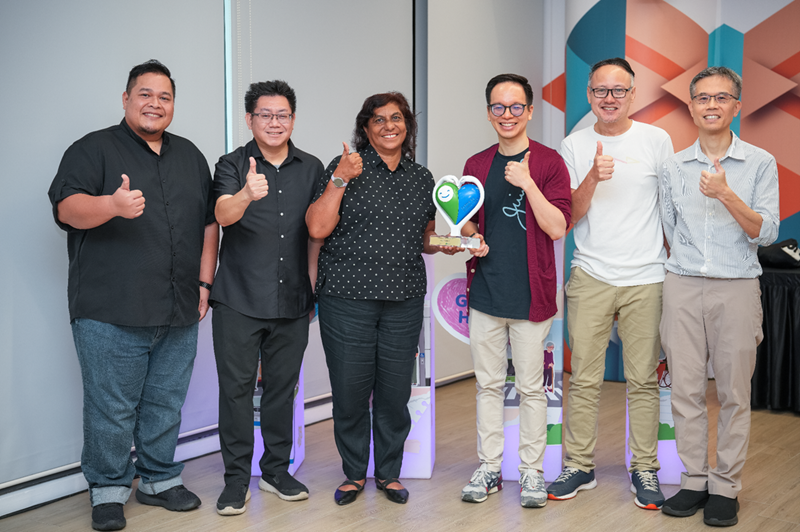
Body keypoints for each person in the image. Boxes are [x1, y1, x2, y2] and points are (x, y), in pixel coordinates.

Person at [47, 60, 218, 531]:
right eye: (145, 94)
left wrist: (205, 284)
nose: (154, 104)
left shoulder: (191, 156)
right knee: (110, 408)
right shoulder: (93, 149)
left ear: (173, 105)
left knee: (166, 401)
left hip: (180, 306)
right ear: (125, 99)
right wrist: (111, 206)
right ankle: (107, 490)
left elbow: (209, 224)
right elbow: (67, 208)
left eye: (164, 97)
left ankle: (160, 481)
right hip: (110, 310)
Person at [306, 92, 452, 506]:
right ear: (365, 129)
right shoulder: (345, 169)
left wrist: (453, 241)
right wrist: (340, 178)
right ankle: (354, 473)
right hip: (346, 297)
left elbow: (425, 239)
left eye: (396, 118)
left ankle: (388, 472)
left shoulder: (421, 177)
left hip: (403, 299)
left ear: (407, 125)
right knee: (351, 392)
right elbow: (317, 227)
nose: (389, 125)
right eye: (378, 120)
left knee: (393, 393)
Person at [547, 58, 674, 510]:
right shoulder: (573, 144)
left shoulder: (657, 140)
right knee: (583, 377)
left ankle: (645, 469)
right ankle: (579, 465)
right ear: (588, 95)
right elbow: (567, 215)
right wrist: (592, 179)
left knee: (642, 380)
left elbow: (670, 209)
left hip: (647, 277)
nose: (609, 98)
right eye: (601, 90)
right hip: (591, 275)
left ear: (633, 95)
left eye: (619, 90)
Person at [659, 67, 779, 527]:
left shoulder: (760, 163)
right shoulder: (673, 166)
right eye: (702, 97)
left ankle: (726, 486)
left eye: (721, 97)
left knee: (733, 392)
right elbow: (671, 230)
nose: (711, 105)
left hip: (738, 286)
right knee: (685, 390)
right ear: (690, 106)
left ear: (737, 106)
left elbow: (765, 231)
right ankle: (694, 480)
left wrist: (727, 194)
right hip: (683, 284)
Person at [209, 80, 323, 515]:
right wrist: (244, 194)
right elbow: (221, 215)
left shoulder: (311, 167)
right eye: (265, 115)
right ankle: (236, 480)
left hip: (292, 297)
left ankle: (276, 471)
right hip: (238, 297)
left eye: (282, 115)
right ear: (249, 119)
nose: (274, 123)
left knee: (282, 389)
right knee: (236, 391)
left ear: (292, 119)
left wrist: (311, 284)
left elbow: (316, 233)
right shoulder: (232, 164)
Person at [458, 73, 572, 509]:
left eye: (516, 107)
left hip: (531, 296)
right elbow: (464, 219)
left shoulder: (547, 162)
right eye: (498, 107)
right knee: (487, 386)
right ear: (489, 112)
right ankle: (489, 468)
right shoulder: (475, 163)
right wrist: (472, 235)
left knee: (530, 389)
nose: (507, 115)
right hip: (485, 291)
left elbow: (558, 226)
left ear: (529, 110)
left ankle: (531, 472)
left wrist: (527, 183)